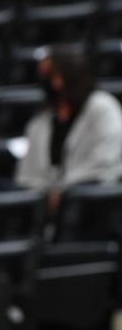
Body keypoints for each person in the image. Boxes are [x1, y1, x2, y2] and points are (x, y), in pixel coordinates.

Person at [17, 45, 122, 211]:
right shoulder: (41, 120)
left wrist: (65, 189)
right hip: (45, 204)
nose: (49, 82)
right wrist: (47, 194)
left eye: (51, 74)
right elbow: (27, 176)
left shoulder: (102, 107)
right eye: (44, 76)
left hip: (91, 201)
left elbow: (107, 163)